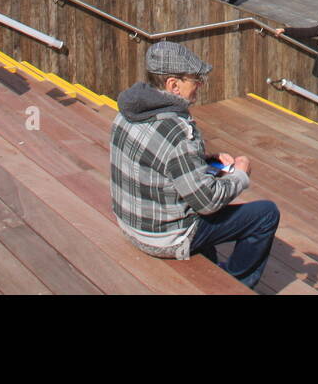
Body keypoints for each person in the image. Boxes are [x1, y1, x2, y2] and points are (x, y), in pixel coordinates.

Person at [109, 41, 279, 289]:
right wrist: (241, 175)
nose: (199, 84)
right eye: (195, 79)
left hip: (130, 224)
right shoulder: (179, 133)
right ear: (173, 85)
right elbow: (207, 202)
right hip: (163, 238)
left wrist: (205, 160)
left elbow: (157, 160)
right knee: (266, 214)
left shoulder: (127, 112)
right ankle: (235, 285)